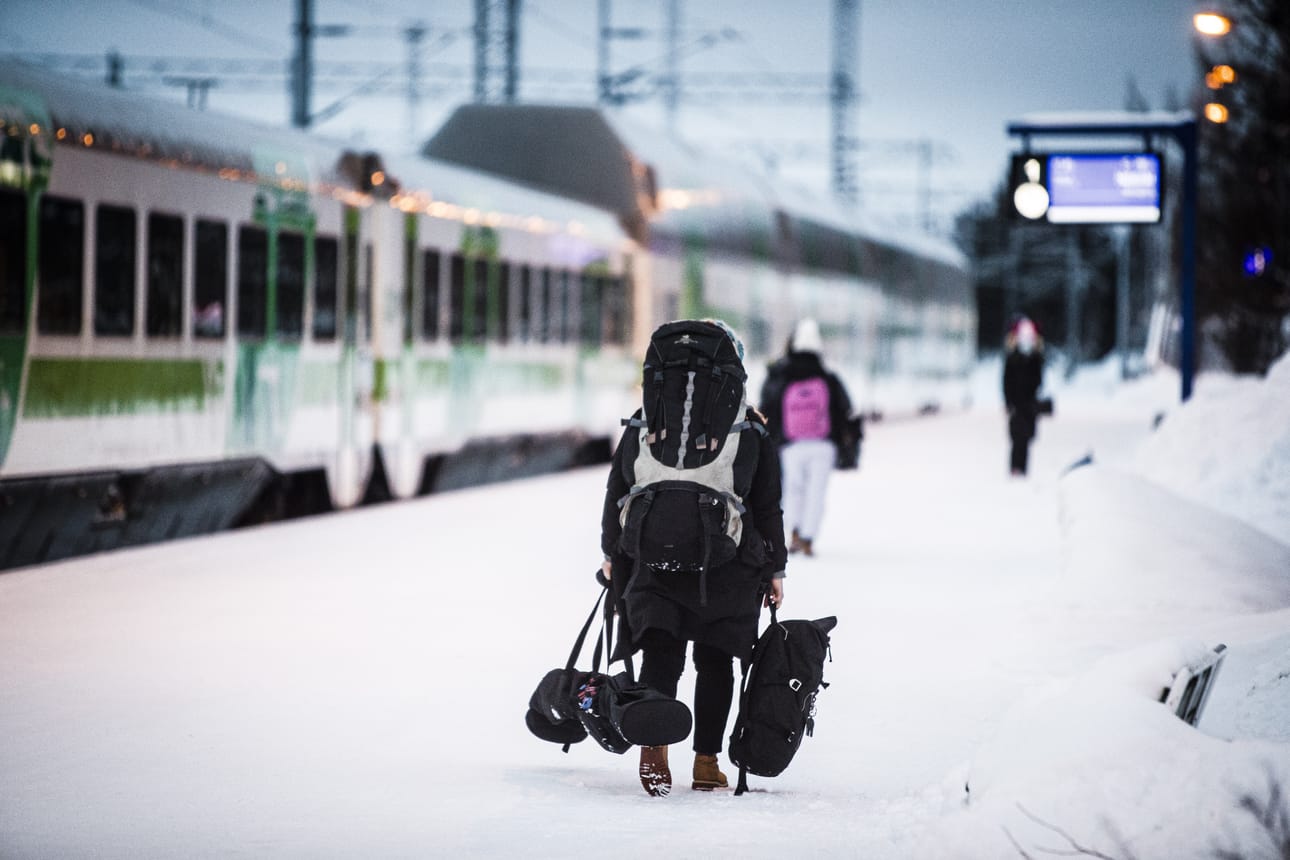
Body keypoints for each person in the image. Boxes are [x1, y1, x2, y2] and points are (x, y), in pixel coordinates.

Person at [600, 319, 787, 798]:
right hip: (725, 566)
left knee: (661, 652)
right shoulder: (750, 428)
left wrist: (610, 553)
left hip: (654, 561)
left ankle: (655, 745)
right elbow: (766, 506)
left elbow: (618, 487)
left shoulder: (648, 421)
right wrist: (776, 567)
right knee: (715, 661)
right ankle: (706, 762)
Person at [758, 318, 853, 557]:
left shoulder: (782, 374)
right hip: (823, 444)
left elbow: (767, 406)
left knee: (792, 488)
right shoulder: (827, 376)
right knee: (816, 491)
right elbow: (845, 407)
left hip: (790, 444)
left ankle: (796, 532)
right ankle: (809, 537)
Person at [1002, 316, 1045, 476]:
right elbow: (1006, 381)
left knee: (1025, 437)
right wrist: (1008, 401)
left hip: (1028, 404)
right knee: (1017, 437)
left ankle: (1022, 468)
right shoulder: (1013, 358)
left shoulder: (1035, 358)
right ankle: (1015, 467)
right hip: (1017, 404)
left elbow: (1039, 381)